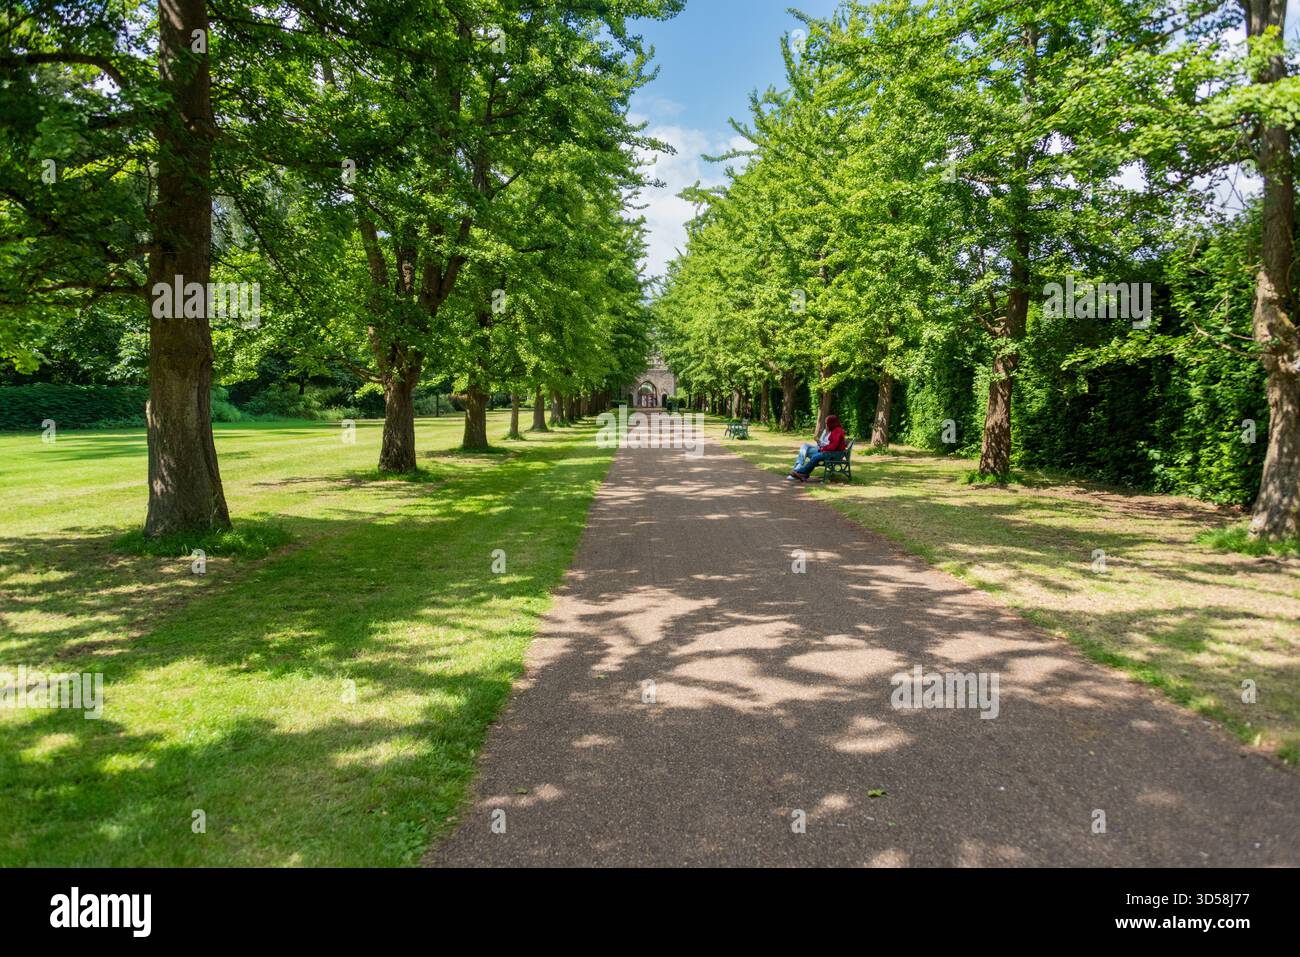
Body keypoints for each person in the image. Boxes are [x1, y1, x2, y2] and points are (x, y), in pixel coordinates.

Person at [787, 415, 847, 483]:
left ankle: (799, 472)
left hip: (835, 454)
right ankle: (803, 474)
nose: (826, 425)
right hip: (833, 453)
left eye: (827, 423)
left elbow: (833, 446)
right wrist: (823, 448)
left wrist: (823, 449)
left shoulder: (837, 431)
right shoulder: (836, 430)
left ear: (832, 423)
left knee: (815, 457)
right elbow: (833, 445)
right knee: (815, 456)